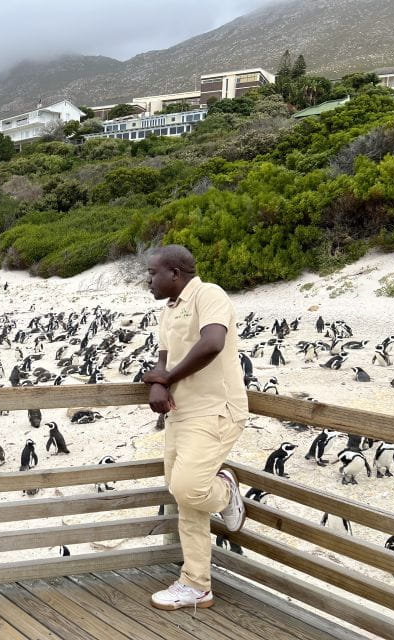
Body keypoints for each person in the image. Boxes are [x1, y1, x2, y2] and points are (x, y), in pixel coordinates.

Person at [142, 244, 247, 611]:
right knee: (184, 498)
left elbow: (213, 342)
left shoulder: (209, 294)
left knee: (191, 488)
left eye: (152, 273)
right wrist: (160, 383)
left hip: (216, 409)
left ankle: (226, 491)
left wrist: (166, 376)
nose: (148, 281)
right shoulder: (168, 312)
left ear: (174, 273)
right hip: (181, 412)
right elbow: (163, 358)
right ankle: (196, 585)